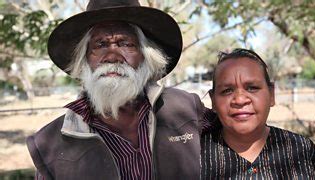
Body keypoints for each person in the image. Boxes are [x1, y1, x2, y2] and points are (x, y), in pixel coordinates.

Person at [26, 0, 216, 179]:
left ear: (145, 56)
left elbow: (236, 149)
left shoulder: (186, 108)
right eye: (100, 45)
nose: (112, 56)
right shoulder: (49, 144)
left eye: (125, 44)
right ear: (84, 60)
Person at [201, 48, 315, 179]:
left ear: (271, 95)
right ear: (213, 101)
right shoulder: (194, 157)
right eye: (227, 90)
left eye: (252, 88)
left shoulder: (303, 150)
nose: (240, 100)